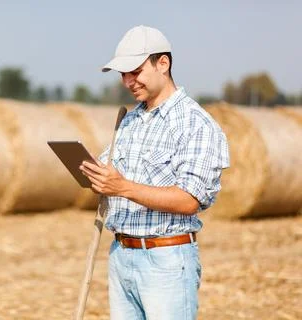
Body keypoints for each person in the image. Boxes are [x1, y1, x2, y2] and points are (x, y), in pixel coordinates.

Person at [79, 25, 230, 320]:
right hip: (121, 253)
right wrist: (95, 175)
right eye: (123, 74)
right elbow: (111, 175)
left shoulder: (195, 124)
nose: (128, 81)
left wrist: (120, 187)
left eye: (135, 71)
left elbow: (189, 199)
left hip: (166, 262)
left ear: (163, 63)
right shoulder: (130, 120)